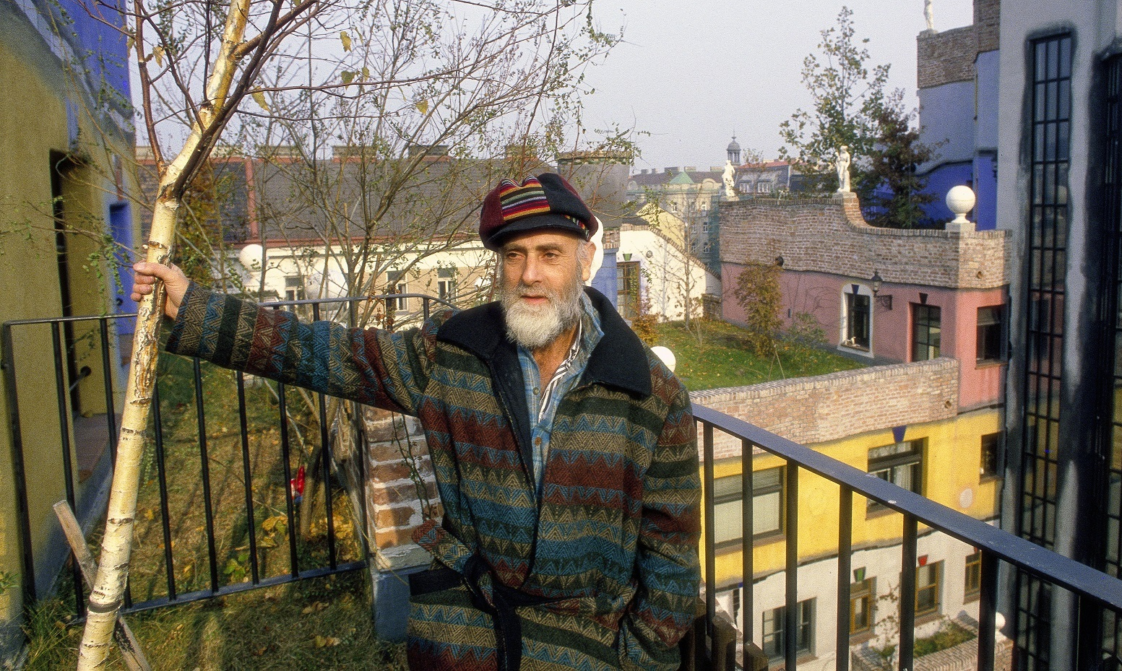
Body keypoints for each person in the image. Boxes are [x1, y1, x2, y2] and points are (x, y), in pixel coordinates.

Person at [132, 173, 700, 671]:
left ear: (583, 258)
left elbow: (671, 553)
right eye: (513, 255)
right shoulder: (456, 354)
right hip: (467, 633)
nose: (529, 274)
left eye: (549, 254)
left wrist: (641, 657)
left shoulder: (649, 392)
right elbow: (329, 353)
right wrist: (197, 308)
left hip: (587, 647)